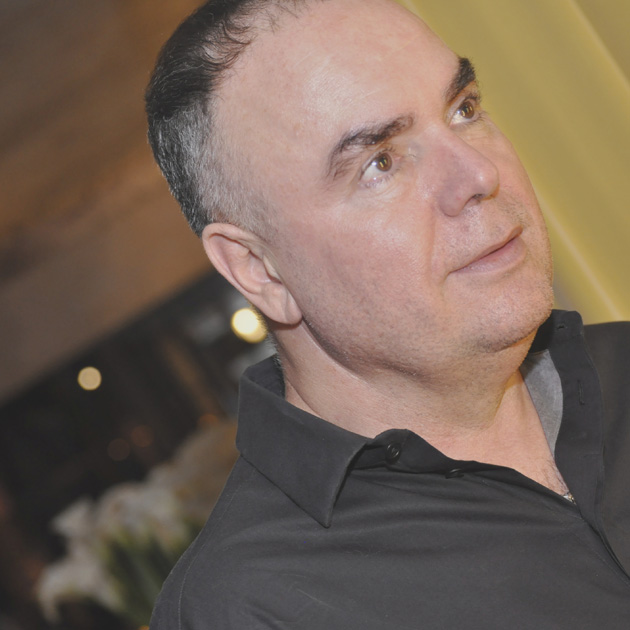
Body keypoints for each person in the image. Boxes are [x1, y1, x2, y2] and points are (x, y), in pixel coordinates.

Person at [145, 0, 630, 627]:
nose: (479, 174)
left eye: (464, 110)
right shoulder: (254, 606)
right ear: (259, 270)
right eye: (380, 162)